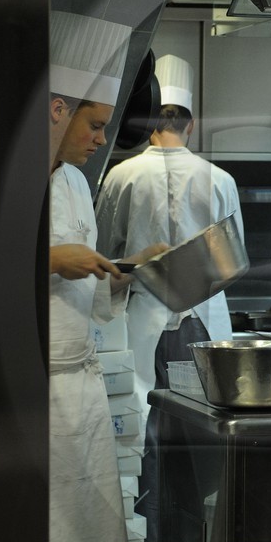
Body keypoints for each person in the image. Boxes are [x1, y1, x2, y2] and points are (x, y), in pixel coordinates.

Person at [46, 11, 166, 542]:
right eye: (93, 125)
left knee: (92, 537)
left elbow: (93, 296)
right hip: (34, 392)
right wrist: (49, 260)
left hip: (83, 393)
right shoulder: (3, 179)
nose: (101, 139)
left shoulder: (74, 182)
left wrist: (130, 270)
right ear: (56, 110)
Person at [94, 55, 243, 464]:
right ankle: (195, 520)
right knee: (201, 435)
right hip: (204, 323)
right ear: (190, 124)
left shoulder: (122, 175)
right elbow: (234, 258)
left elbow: (105, 257)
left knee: (143, 431)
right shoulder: (220, 179)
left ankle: (150, 522)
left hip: (142, 319)